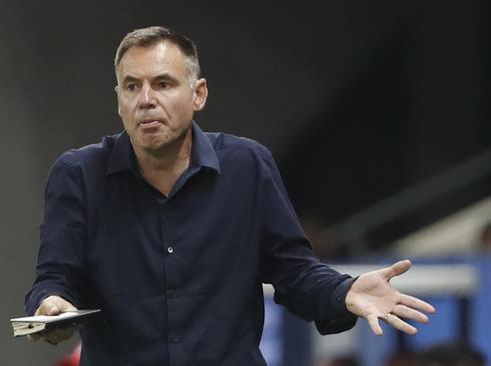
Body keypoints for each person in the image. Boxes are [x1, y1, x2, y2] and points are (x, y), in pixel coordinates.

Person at [24, 26, 435, 365]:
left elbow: (293, 273)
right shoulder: (78, 175)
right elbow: (55, 277)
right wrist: (52, 302)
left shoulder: (247, 166)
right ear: (118, 101)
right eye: (131, 87)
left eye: (162, 84)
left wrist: (344, 292)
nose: (145, 100)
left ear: (198, 94)